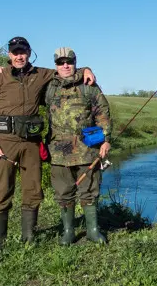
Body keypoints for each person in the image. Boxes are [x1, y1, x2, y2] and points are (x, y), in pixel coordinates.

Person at [0, 36, 95, 251]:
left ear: (29, 53)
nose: (19, 56)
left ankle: (28, 238)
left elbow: (65, 71)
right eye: (15, 52)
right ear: (9, 55)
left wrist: (86, 69)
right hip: (5, 143)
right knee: (2, 190)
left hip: (32, 143)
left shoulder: (41, 75)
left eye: (22, 51)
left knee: (33, 191)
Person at [45, 47, 111, 245]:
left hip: (87, 148)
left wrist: (106, 140)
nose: (65, 65)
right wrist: (1, 70)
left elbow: (103, 113)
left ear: (75, 62)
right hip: (58, 150)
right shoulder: (48, 85)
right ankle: (68, 231)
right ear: (55, 65)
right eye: (60, 62)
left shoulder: (89, 85)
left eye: (69, 61)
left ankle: (92, 230)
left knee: (89, 190)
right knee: (63, 191)